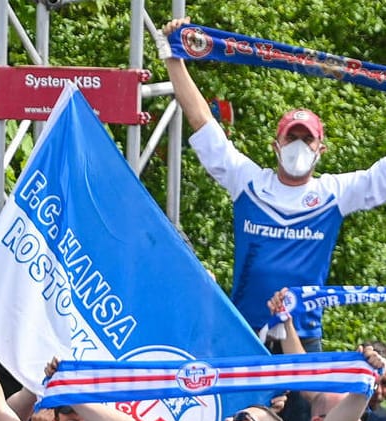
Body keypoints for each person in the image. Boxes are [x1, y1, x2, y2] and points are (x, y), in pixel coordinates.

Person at [160, 18, 386, 350]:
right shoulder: (248, 181)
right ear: (276, 145)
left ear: (320, 149)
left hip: (304, 336)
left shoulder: (334, 194)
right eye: (290, 136)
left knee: (308, 405)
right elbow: (201, 120)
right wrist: (174, 57)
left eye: (306, 139)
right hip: (246, 333)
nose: (298, 144)